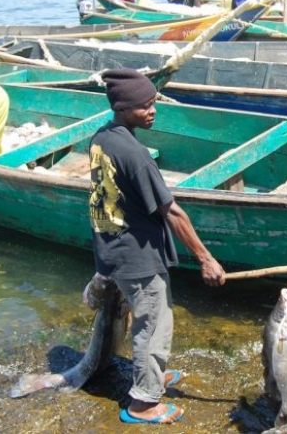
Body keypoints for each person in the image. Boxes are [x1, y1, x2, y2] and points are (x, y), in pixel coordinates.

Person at [89, 68, 226, 424]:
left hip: (113, 250)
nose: (152, 111)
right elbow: (174, 213)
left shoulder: (102, 137)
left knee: (148, 321)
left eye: (154, 103)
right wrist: (205, 259)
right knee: (153, 326)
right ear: (123, 108)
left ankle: (149, 375)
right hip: (138, 259)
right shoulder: (136, 155)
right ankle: (144, 402)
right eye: (144, 106)